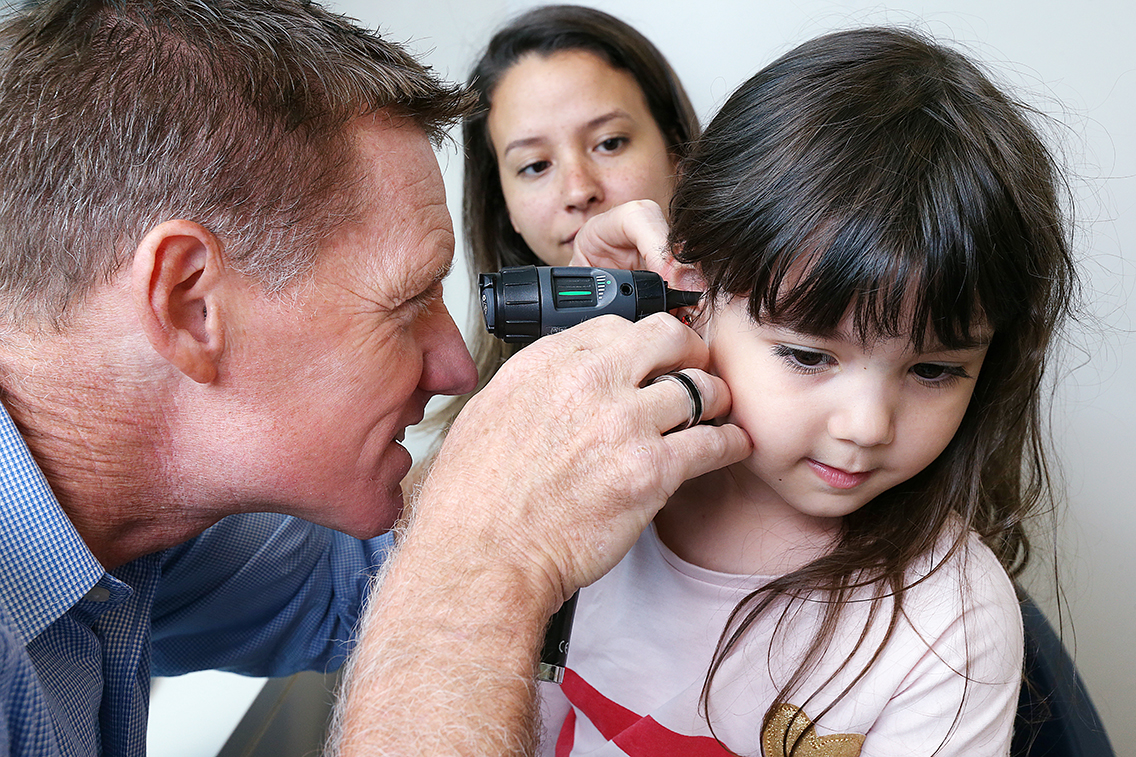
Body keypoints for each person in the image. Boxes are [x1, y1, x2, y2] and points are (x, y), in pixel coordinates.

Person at [0, 1, 750, 755]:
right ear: (190, 303)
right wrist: (491, 561)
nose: (457, 371)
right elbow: (450, 574)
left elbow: (374, 583)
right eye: (408, 301)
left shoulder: (152, 526)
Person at [545, 27, 1076, 756]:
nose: (866, 425)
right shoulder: (582, 482)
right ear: (693, 289)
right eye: (807, 355)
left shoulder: (948, 619)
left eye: (932, 370)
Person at [432, 5, 701, 435]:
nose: (579, 190)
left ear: (678, 153)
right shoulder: (472, 441)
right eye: (536, 166)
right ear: (504, 207)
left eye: (609, 143)